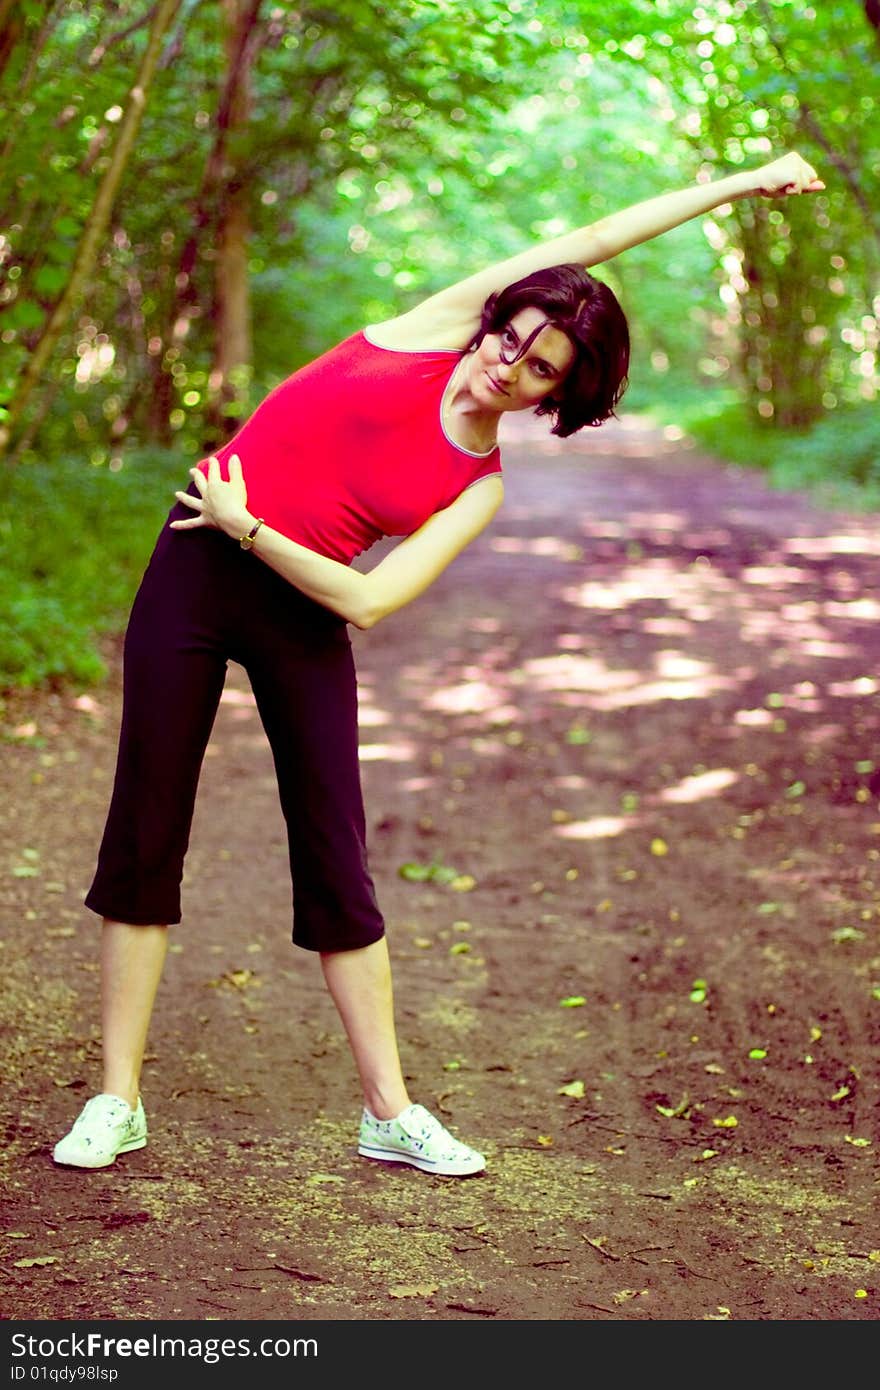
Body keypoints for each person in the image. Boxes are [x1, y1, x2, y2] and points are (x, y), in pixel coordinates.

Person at [53, 150, 823, 1176]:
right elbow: (593, 240)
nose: (507, 363)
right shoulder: (436, 322)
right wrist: (738, 184)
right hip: (193, 560)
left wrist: (252, 531)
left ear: (560, 394)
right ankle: (117, 1100)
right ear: (494, 320)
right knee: (147, 825)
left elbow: (367, 600)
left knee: (335, 851)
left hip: (292, 586)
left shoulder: (482, 483)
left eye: (540, 367)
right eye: (513, 339)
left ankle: (388, 1111)